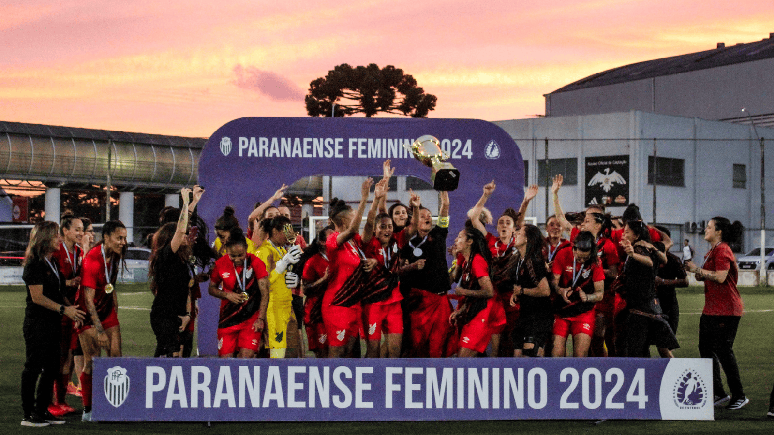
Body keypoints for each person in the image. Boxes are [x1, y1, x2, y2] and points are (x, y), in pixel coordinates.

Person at [21, 221, 85, 427]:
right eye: (56, 235)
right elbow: (37, 297)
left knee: (51, 368)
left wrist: (71, 309)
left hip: (53, 323)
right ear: (45, 238)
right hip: (37, 324)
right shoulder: (35, 264)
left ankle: (42, 410)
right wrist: (64, 309)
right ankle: (28, 414)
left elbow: (57, 292)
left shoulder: (53, 263)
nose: (59, 238)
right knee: (33, 367)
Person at [465, 180, 537, 356]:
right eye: (501, 223)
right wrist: (486, 195)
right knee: (495, 339)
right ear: (497, 227)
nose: (504, 225)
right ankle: (493, 366)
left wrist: (525, 202)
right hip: (495, 297)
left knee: (512, 337)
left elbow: (520, 222)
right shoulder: (490, 240)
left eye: (507, 223)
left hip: (514, 297)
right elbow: (474, 217)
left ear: (514, 229)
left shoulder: (518, 243)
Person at [684, 217, 748, 410]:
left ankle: (739, 395)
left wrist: (698, 270)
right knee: (705, 349)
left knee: (723, 351)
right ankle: (719, 393)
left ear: (718, 231)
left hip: (726, 310)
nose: (705, 229)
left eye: (709, 227)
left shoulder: (722, 249)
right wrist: (697, 271)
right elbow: (707, 275)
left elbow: (720, 277)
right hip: (711, 309)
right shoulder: (712, 250)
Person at [76, 220, 127, 422]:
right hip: (88, 317)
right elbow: (88, 299)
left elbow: (110, 284)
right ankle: (88, 408)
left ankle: (112, 405)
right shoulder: (92, 260)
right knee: (92, 360)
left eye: (124, 238)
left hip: (107, 313)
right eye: (119, 238)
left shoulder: (115, 255)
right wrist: (99, 330)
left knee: (116, 359)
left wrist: (114, 305)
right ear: (106, 238)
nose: (123, 242)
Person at [323, 178, 377, 358]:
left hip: (354, 304)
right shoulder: (332, 239)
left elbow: (368, 234)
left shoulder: (354, 243)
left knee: (350, 353)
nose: (358, 220)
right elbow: (354, 229)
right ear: (345, 222)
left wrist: (376, 200)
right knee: (336, 352)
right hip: (338, 304)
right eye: (355, 218)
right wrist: (363, 199)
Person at [400, 189, 456, 358]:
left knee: (437, 348)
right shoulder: (406, 244)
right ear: (414, 221)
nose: (428, 218)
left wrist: (442, 188)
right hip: (419, 304)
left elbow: (445, 205)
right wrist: (411, 267)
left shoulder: (439, 234)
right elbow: (398, 271)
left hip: (439, 301)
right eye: (423, 216)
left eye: (430, 216)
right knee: (417, 346)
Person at [615, 220, 678, 358]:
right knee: (658, 348)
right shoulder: (652, 247)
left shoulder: (638, 248)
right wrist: (653, 229)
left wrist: (632, 254)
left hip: (640, 308)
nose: (623, 235)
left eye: (626, 232)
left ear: (636, 235)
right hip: (651, 305)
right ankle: (674, 373)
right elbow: (669, 242)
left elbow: (648, 262)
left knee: (636, 349)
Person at [209, 227, 270, 358]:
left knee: (245, 361)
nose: (237, 259)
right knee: (226, 363)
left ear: (246, 248)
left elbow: (265, 293)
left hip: (251, 320)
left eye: (240, 255)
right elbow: (211, 288)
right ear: (226, 250)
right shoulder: (220, 264)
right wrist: (226, 294)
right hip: (227, 320)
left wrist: (260, 319)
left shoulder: (256, 263)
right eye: (232, 256)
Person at [360, 179, 404, 358]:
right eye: (382, 227)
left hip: (394, 302)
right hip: (373, 303)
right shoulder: (369, 244)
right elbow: (371, 221)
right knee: (373, 350)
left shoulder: (395, 241)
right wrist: (376, 199)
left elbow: (384, 214)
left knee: (395, 350)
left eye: (389, 227)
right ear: (375, 231)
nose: (386, 229)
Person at [148, 188, 194, 357]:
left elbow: (186, 290)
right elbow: (181, 229)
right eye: (180, 235)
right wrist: (186, 202)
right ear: (170, 237)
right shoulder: (165, 255)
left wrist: (187, 314)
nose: (185, 236)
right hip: (163, 316)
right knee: (171, 356)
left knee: (170, 355)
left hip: (178, 316)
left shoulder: (181, 260)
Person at [449, 226, 505, 357]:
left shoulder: (477, 261)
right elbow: (473, 290)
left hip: (486, 312)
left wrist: (463, 291)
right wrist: (460, 311)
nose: (456, 240)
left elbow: (488, 292)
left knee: (463, 358)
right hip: (477, 311)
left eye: (460, 237)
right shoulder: (466, 263)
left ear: (470, 241)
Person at [49, 212, 84, 417]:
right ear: (65, 231)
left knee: (69, 358)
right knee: (59, 357)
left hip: (72, 311)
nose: (80, 233)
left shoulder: (78, 251)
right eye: (77, 229)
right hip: (61, 310)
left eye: (82, 229)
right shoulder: (57, 251)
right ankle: (53, 402)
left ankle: (60, 400)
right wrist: (69, 283)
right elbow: (54, 284)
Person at [551, 231, 605, 357]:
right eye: (579, 257)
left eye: (585, 258)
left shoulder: (596, 261)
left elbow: (600, 293)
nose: (582, 260)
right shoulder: (562, 254)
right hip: (562, 311)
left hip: (584, 313)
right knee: (557, 354)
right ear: (573, 248)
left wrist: (588, 297)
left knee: (580, 355)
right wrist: (560, 290)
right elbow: (553, 282)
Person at [256, 216, 303, 358]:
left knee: (292, 353)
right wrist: (282, 266)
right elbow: (263, 284)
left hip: (288, 307)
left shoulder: (283, 250)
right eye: (286, 231)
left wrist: (294, 281)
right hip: (273, 310)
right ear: (275, 230)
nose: (290, 235)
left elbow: (282, 278)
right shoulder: (264, 251)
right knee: (277, 355)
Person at [509, 224, 552, 357]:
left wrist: (522, 291)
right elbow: (523, 284)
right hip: (525, 314)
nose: (515, 234)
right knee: (518, 355)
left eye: (519, 232)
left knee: (530, 355)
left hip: (538, 317)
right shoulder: (519, 259)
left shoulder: (533, 261)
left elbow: (545, 291)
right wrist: (516, 294)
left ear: (527, 239)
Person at [300, 226, 334, 358]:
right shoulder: (312, 261)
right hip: (316, 313)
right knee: (323, 355)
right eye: (332, 237)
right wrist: (323, 279)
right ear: (322, 242)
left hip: (333, 312)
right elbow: (306, 289)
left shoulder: (338, 257)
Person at [653, 240, 688, 358]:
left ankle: (674, 371)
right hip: (652, 305)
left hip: (668, 305)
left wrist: (663, 282)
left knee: (664, 346)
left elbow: (685, 281)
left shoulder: (674, 260)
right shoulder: (649, 258)